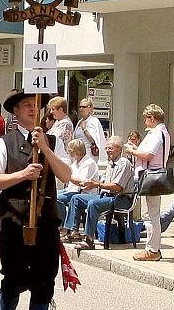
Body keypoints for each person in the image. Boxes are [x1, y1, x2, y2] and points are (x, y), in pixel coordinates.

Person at [0, 91, 71, 310]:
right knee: (12, 279)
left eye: (37, 105)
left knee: (45, 282)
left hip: (46, 222)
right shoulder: (4, 143)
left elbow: (66, 175)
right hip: (14, 220)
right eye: (27, 106)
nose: (33, 110)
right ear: (16, 112)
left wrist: (45, 148)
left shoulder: (54, 141)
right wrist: (22, 175)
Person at [63, 136, 134, 250]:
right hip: (106, 196)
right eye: (106, 148)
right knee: (76, 198)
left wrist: (96, 184)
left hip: (121, 199)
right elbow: (103, 182)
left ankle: (89, 240)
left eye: (110, 148)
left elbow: (117, 187)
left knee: (93, 203)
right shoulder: (110, 163)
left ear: (119, 149)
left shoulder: (123, 163)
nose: (107, 151)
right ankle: (72, 232)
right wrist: (93, 183)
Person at [125, 104, 170, 261]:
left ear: (152, 118)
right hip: (151, 176)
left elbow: (149, 154)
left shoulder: (156, 133)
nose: (145, 121)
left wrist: (132, 151)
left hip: (151, 177)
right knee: (151, 214)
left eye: (146, 118)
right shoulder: (161, 132)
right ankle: (152, 249)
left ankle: (152, 249)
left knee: (150, 215)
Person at [57, 139, 99, 240]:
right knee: (54, 195)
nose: (69, 153)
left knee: (58, 198)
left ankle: (64, 228)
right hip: (72, 190)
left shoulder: (88, 163)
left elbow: (82, 183)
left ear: (77, 151)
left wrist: (66, 176)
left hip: (84, 192)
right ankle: (62, 226)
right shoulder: (75, 163)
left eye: (70, 151)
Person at [74, 98, 106, 164]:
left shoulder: (93, 121)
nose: (81, 109)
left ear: (90, 108)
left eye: (84, 107)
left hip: (89, 153)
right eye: (80, 107)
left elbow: (94, 141)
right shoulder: (79, 122)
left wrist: (84, 130)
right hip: (78, 153)